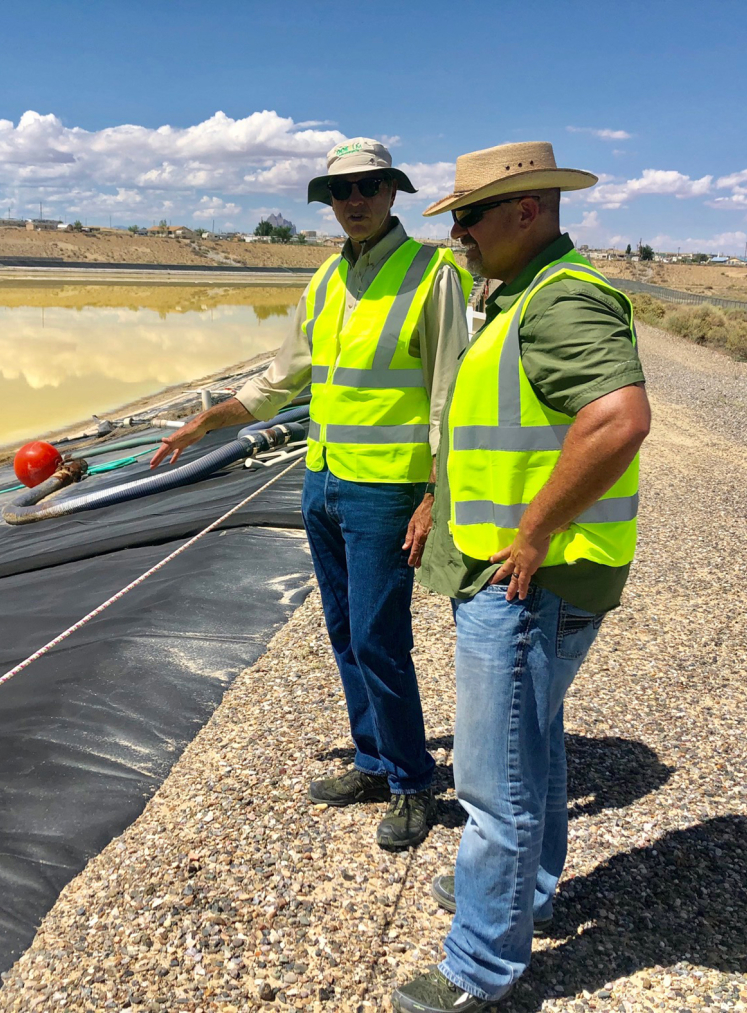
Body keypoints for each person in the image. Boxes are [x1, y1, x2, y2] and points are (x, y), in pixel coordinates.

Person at [150, 138, 472, 850]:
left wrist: (434, 498)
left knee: (378, 637)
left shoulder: (432, 274)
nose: (353, 203)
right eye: (339, 192)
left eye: (367, 188)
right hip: (323, 481)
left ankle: (413, 781)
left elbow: (452, 396)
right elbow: (281, 378)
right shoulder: (328, 279)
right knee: (340, 630)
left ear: (393, 192)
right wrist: (208, 419)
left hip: (386, 490)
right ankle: (372, 759)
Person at [389, 141, 651, 1012]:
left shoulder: (559, 302)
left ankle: (479, 966)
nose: (456, 232)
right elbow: (489, 428)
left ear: (527, 212)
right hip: (530, 575)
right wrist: (438, 497)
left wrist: (534, 530)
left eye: (467, 215)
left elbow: (617, 420)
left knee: (490, 782)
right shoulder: (514, 299)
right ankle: (518, 899)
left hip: (530, 583)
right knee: (530, 751)